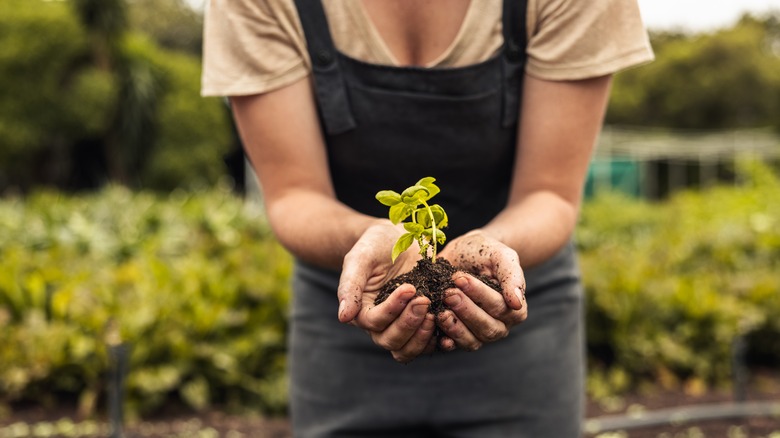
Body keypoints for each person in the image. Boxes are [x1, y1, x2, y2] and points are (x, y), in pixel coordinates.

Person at [202, 0, 654, 436]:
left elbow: (549, 192)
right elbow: (294, 194)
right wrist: (370, 236)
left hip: (517, 303)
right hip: (351, 308)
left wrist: (490, 246)